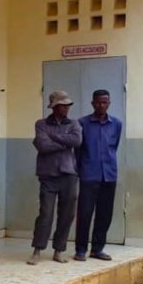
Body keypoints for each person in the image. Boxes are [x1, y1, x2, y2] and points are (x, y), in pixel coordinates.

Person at [29, 90, 83, 265]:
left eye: (68, 105)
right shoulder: (41, 124)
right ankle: (37, 249)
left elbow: (77, 141)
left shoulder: (74, 124)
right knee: (46, 213)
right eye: (62, 105)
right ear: (54, 107)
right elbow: (42, 146)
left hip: (69, 174)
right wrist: (64, 142)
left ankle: (59, 250)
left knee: (67, 214)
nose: (66, 108)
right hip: (48, 175)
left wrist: (54, 137)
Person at [75, 90, 122, 261]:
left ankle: (97, 249)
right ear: (92, 103)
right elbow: (78, 150)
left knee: (105, 214)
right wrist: (80, 171)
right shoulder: (82, 123)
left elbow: (114, 147)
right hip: (89, 175)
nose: (101, 105)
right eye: (98, 102)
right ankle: (81, 250)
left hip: (109, 175)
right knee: (85, 213)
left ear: (109, 103)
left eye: (104, 102)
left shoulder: (116, 124)